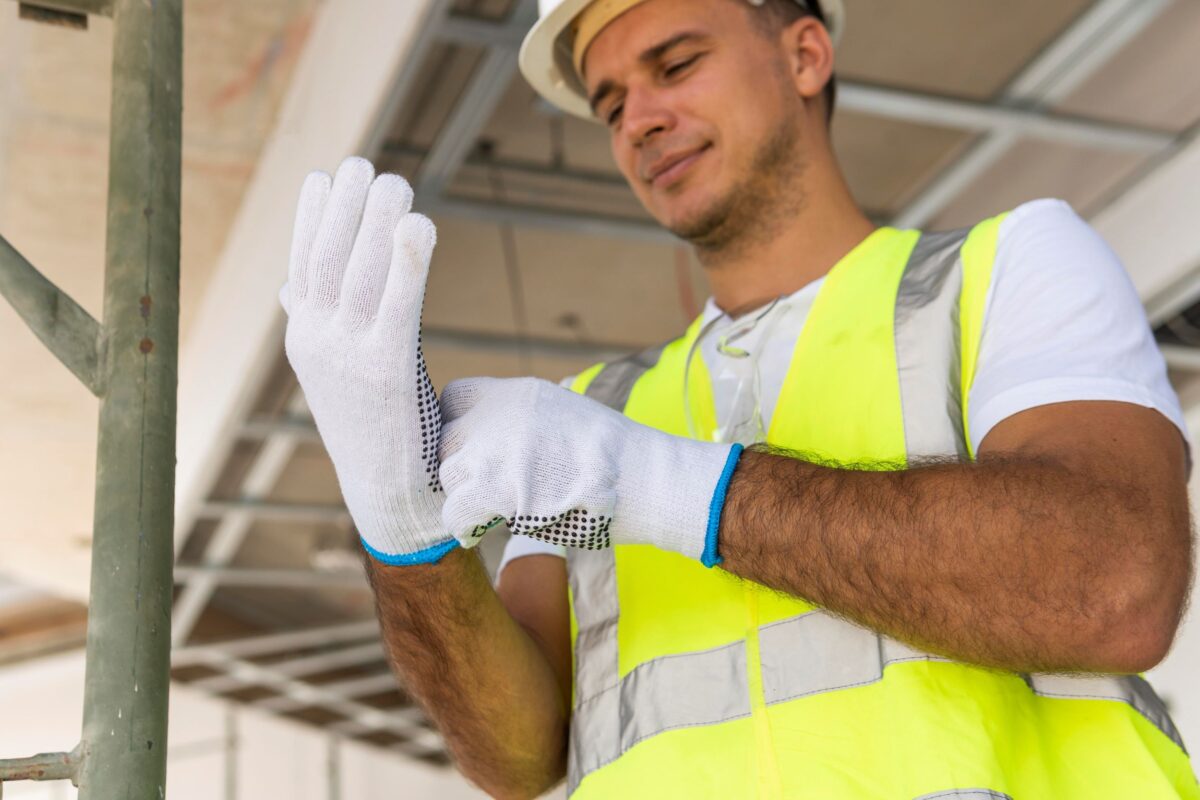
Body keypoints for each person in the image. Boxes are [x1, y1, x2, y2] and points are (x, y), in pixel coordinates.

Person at [278, 0, 1199, 796]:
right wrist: (399, 526)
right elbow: (519, 756)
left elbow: (1114, 585)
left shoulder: (1004, 270)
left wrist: (659, 486)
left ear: (805, 55)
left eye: (674, 63)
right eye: (611, 105)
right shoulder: (595, 404)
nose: (638, 118)